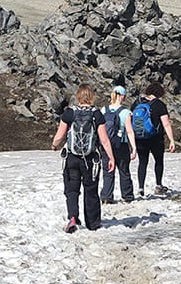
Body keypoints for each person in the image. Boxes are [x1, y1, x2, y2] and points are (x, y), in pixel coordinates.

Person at [51, 83, 115, 233]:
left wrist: (54, 145)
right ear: (91, 96)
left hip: (71, 157)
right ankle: (93, 223)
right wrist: (111, 157)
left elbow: (59, 136)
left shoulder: (69, 113)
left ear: (78, 96)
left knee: (71, 189)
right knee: (91, 190)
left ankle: (73, 217)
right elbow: (104, 139)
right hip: (90, 159)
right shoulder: (96, 114)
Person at [132, 82, 176, 197]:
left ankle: (141, 188)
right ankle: (158, 185)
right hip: (156, 138)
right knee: (158, 161)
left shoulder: (137, 102)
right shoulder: (159, 104)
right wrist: (171, 140)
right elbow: (166, 124)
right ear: (159, 93)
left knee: (142, 162)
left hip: (139, 137)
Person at [99, 85, 137, 204]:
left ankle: (106, 196)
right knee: (124, 171)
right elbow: (129, 131)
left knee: (108, 172)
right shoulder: (125, 112)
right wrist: (134, 148)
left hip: (106, 144)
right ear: (122, 96)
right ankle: (127, 196)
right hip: (121, 144)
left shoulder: (103, 110)